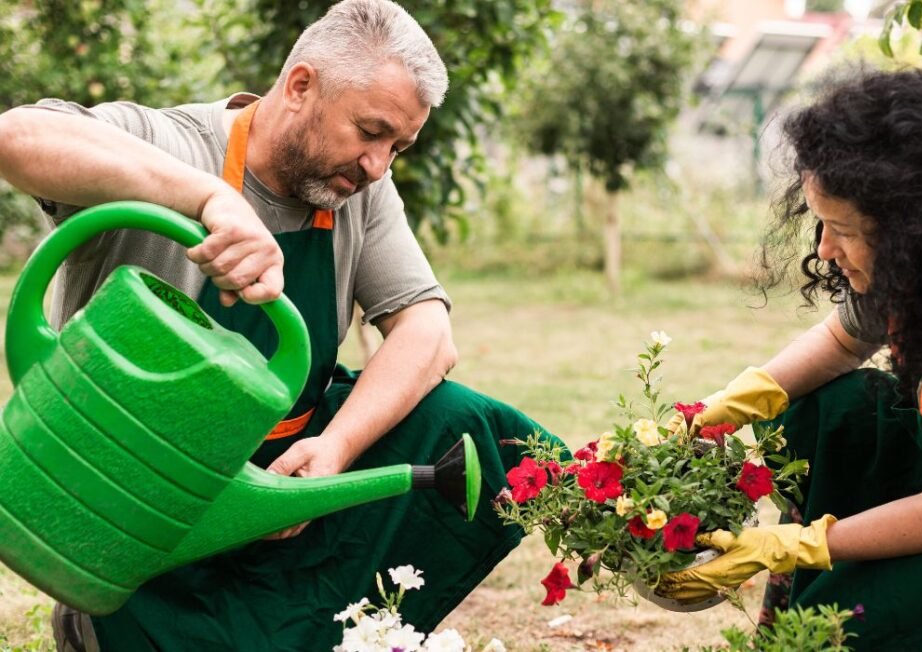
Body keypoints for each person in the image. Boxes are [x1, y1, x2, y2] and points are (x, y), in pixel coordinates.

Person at [0, 1, 557, 650]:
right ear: (300, 86)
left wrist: (335, 450)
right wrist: (208, 199)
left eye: (397, 147)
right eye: (370, 132)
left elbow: (426, 330)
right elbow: (17, 138)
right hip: (145, 494)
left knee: (462, 425)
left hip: (281, 485)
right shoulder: (175, 144)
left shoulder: (359, 189)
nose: (380, 164)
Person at [656, 69, 922, 650]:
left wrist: (793, 544)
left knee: (852, 622)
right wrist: (720, 410)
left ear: (911, 230)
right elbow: (842, 342)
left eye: (842, 230)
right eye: (821, 223)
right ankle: (820, 583)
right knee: (827, 410)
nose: (825, 249)